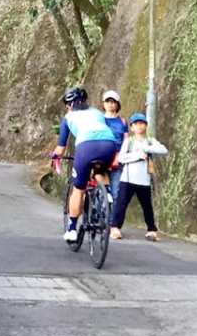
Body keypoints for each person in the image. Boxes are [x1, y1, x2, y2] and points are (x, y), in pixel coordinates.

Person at [53, 87, 118, 242]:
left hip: (86, 147)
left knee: (79, 190)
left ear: (70, 104)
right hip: (109, 145)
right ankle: (107, 194)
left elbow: (60, 149)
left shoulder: (68, 117)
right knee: (100, 171)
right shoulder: (97, 113)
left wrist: (55, 157)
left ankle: (72, 229)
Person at [110, 112, 168, 241]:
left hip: (144, 180)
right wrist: (137, 156)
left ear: (146, 126)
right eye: (136, 124)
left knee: (147, 206)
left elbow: (163, 150)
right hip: (127, 179)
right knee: (121, 204)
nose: (139, 126)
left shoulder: (150, 141)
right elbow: (121, 158)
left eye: (142, 123)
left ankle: (151, 230)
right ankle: (115, 228)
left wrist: (146, 148)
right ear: (131, 127)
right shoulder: (129, 141)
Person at [101, 90, 128, 203]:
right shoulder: (99, 119)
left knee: (116, 192)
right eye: (107, 101)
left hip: (118, 158)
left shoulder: (122, 121)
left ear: (117, 104)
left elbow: (126, 140)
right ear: (103, 104)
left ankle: (114, 214)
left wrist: (121, 156)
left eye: (113, 102)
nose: (110, 104)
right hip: (101, 156)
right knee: (101, 190)